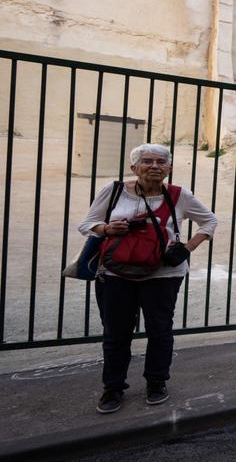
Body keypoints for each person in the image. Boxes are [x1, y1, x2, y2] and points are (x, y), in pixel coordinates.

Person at [82, 143, 218, 414]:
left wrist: (187, 247)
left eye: (160, 162)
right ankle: (113, 387)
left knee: (160, 330)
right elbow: (87, 224)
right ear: (134, 167)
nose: (154, 166)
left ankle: (156, 382)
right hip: (115, 273)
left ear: (168, 168)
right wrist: (107, 228)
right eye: (147, 161)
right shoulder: (114, 191)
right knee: (116, 332)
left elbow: (210, 221)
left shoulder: (179, 195)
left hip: (163, 274)